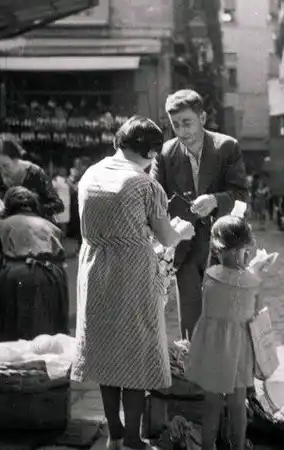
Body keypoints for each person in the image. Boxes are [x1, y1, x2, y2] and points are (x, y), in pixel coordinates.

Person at [71, 116, 195, 450]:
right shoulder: (144, 185)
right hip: (133, 272)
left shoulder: (89, 175)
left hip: (94, 267)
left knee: (106, 353)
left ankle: (114, 433)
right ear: (149, 152)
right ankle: (133, 439)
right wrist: (181, 231)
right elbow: (166, 236)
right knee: (136, 353)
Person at [151, 89, 248, 340]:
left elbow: (241, 194)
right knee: (191, 323)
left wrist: (216, 200)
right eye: (176, 125)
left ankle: (226, 373)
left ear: (202, 118)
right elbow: (155, 198)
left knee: (225, 318)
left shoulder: (227, 147)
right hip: (184, 248)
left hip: (222, 246)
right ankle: (194, 372)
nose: (183, 131)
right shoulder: (165, 154)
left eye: (187, 123)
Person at [186, 215, 261, 450]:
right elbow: (256, 313)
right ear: (246, 246)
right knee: (239, 405)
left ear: (217, 247)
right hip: (239, 351)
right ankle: (237, 446)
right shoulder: (252, 280)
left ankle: (208, 446)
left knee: (211, 406)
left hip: (213, 349)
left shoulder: (210, 276)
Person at [0, 186, 69, 342]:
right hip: (52, 275)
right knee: (50, 332)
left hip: (17, 274)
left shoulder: (2, 225)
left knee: (15, 332)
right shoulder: (51, 226)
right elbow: (61, 260)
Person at [0, 134, 64, 220]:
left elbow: (58, 205)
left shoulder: (35, 174)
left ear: (16, 159)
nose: (3, 171)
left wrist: (33, 210)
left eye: (6, 166)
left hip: (41, 227)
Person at [52, 167, 71, 235]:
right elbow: (52, 190)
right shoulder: (55, 180)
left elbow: (72, 189)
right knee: (56, 219)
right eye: (62, 170)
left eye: (65, 171)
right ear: (59, 171)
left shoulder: (68, 180)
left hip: (66, 202)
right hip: (59, 201)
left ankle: (63, 235)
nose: (64, 172)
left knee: (64, 221)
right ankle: (56, 235)